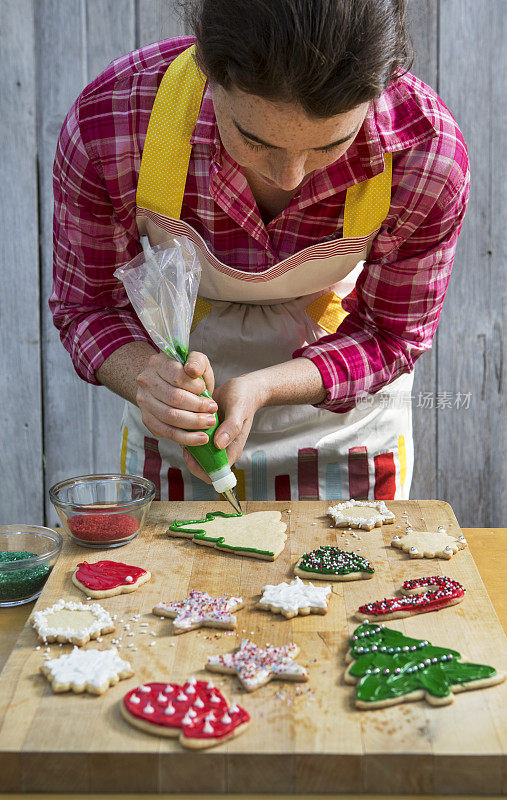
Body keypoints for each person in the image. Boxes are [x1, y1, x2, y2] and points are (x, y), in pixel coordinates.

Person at [51, 0, 469, 502]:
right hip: (183, 436)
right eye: (253, 138)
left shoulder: (425, 153)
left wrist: (263, 386)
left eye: (328, 145)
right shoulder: (115, 120)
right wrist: (149, 380)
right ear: (207, 60)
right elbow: (88, 307)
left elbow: (390, 335)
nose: (288, 175)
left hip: (341, 434)